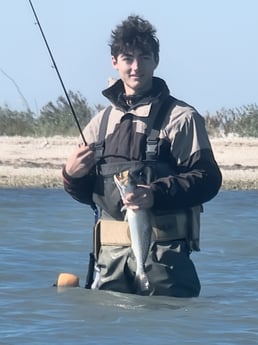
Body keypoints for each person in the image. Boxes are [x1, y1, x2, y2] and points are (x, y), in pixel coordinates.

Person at [62, 15, 222, 297]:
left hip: (165, 260)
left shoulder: (181, 118)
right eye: (128, 58)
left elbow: (208, 179)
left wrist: (155, 193)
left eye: (144, 57)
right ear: (115, 62)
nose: (136, 67)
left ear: (155, 61)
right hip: (110, 260)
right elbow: (90, 196)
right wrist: (71, 176)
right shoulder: (99, 124)